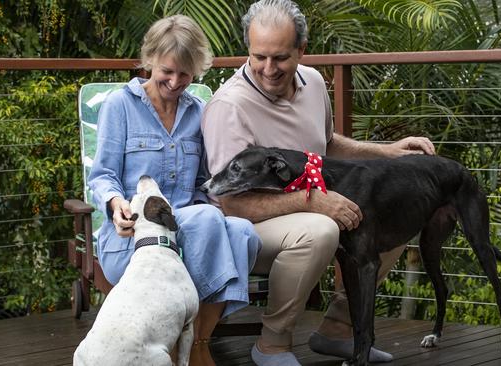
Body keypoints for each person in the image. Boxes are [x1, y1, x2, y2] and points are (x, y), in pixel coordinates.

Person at [201, 1, 436, 364]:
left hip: (306, 210)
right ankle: (272, 345)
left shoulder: (311, 81)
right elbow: (234, 203)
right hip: (245, 229)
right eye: (257, 56)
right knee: (322, 227)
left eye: (279, 57)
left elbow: (325, 144)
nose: (267, 69)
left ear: (301, 50)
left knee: (394, 211)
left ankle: (337, 331)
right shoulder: (229, 107)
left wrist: (385, 152)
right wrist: (313, 202)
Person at [87, 15, 261, 366]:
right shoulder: (120, 106)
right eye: (168, 70)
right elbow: (102, 175)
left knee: (244, 233)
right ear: (150, 59)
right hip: (135, 238)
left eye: (186, 74)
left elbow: (202, 183)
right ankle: (194, 348)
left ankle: (199, 341)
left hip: (187, 232)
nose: (176, 81)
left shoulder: (199, 112)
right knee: (209, 221)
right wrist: (116, 203)